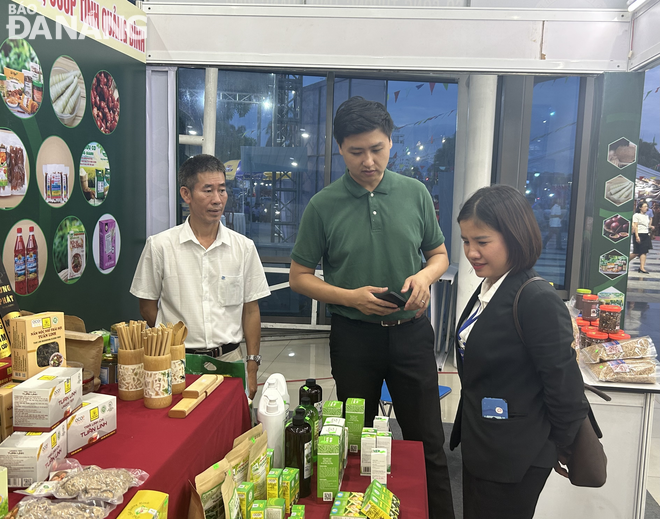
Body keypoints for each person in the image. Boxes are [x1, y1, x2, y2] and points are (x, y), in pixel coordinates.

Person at [289, 96, 454, 519]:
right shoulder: (323, 205)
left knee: (426, 440)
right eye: (356, 151)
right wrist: (349, 296)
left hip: (412, 334)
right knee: (356, 442)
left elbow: (439, 255)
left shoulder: (415, 193)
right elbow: (299, 276)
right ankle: (359, 511)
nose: (368, 161)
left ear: (390, 143)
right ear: (339, 148)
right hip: (354, 338)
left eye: (377, 149)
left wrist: (425, 277)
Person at [452, 185, 588, 519]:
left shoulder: (535, 298)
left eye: (482, 242)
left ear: (515, 237)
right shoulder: (488, 288)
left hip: (516, 454)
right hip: (484, 441)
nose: (471, 252)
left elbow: (564, 385)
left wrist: (560, 444)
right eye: (466, 241)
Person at [130, 155, 270, 399]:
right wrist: (173, 344)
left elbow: (251, 310)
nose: (217, 199)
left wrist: (252, 365)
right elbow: (147, 305)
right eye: (208, 190)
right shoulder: (160, 246)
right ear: (186, 194)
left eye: (222, 190)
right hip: (179, 362)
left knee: (233, 433)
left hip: (230, 361)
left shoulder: (243, 248)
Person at [630, 201, 655, 274]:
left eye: (647, 206)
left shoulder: (646, 216)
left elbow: (646, 225)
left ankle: (642, 268)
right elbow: (635, 226)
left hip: (645, 234)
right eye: (644, 206)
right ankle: (625, 261)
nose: (646, 208)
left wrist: (651, 227)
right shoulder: (636, 215)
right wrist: (637, 236)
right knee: (636, 252)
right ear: (640, 207)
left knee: (644, 251)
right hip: (639, 234)